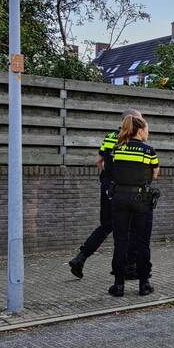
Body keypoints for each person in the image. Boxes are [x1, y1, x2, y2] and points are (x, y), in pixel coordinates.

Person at [69, 109, 143, 279]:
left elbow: (98, 161)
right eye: (141, 120)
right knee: (129, 228)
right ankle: (126, 268)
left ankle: (80, 258)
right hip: (123, 191)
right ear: (134, 120)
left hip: (107, 189)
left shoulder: (110, 136)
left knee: (105, 226)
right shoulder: (132, 139)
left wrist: (105, 179)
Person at [107, 115, 159, 297]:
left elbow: (113, 169)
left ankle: (118, 285)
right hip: (141, 200)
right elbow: (154, 175)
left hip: (119, 197)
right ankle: (144, 284)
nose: (148, 133)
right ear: (139, 130)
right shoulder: (149, 151)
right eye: (146, 129)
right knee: (142, 242)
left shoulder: (117, 149)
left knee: (120, 241)